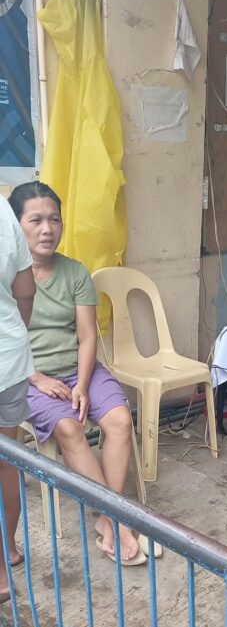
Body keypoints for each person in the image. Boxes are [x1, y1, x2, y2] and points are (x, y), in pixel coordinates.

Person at [9, 181, 146, 566]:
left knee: (120, 420)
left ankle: (108, 518)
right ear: (16, 226)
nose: (47, 229)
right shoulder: (6, 277)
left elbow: (87, 336)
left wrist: (82, 385)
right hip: (28, 376)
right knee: (69, 429)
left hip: (80, 369)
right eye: (35, 220)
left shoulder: (74, 272)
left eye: (54, 219)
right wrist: (36, 377)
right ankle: (118, 522)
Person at [0, 194, 36, 602]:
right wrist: (14, 331)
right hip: (8, 355)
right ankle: (7, 549)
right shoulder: (3, 211)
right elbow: (25, 290)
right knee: (7, 459)